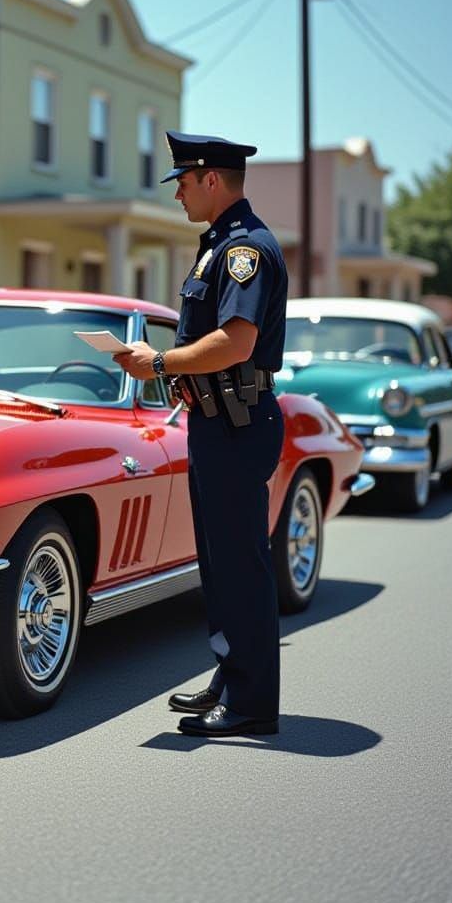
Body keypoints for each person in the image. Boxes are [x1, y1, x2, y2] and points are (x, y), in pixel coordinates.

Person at [115, 131, 288, 738]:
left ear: (211, 179)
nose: (179, 194)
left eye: (184, 182)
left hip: (239, 428)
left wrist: (159, 363)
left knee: (242, 564)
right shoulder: (217, 246)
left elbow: (234, 343)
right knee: (219, 565)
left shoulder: (246, 251)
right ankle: (231, 677)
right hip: (218, 425)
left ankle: (251, 705)